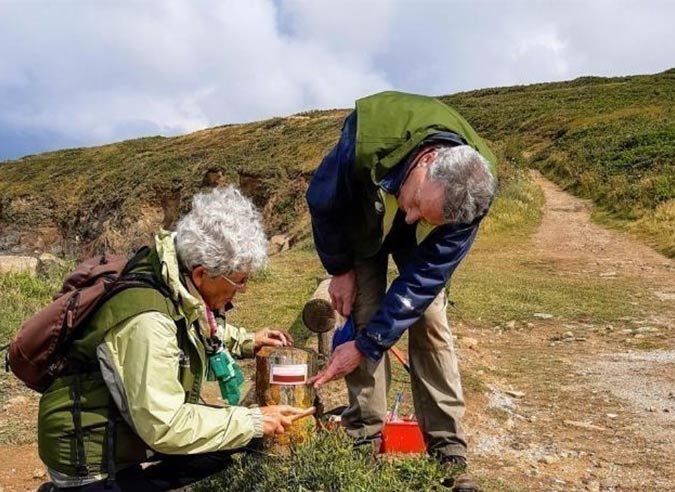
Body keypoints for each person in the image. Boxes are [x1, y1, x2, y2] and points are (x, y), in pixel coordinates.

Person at [37, 187, 305, 492]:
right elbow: (165, 426)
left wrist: (244, 340)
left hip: (124, 427)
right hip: (87, 453)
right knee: (237, 431)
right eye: (240, 280)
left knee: (226, 444)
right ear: (203, 273)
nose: (242, 290)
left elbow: (196, 323)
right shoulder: (148, 321)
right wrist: (255, 421)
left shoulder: (173, 275)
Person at [306, 91, 497, 491]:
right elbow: (323, 202)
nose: (410, 216)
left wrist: (369, 343)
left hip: (422, 238)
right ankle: (363, 438)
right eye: (413, 203)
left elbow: (424, 279)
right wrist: (340, 269)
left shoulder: (472, 193)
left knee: (429, 319)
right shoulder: (364, 142)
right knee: (366, 310)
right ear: (426, 162)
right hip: (365, 224)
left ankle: (448, 449)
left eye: (422, 214)